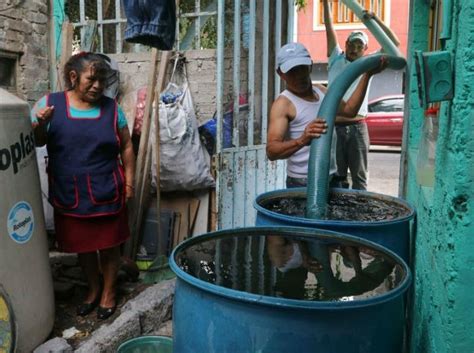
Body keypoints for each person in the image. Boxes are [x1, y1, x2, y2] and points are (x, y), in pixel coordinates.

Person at [31, 52, 135, 320]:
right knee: (84, 246)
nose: (98, 86)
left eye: (102, 79)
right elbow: (38, 141)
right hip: (70, 194)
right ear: (74, 77)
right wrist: (40, 125)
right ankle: (93, 289)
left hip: (107, 191)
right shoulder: (49, 104)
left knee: (109, 246)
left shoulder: (113, 109)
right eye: (92, 79)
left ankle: (109, 293)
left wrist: (130, 182)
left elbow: (126, 146)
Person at [266, 42, 385, 188]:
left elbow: (349, 110)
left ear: (310, 66)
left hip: (331, 175)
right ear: (280, 73)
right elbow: (272, 151)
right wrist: (302, 140)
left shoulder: (321, 91)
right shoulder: (283, 104)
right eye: (292, 71)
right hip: (303, 181)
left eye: (302, 68)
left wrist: (367, 75)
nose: (299, 76)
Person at [323, 0, 400, 190]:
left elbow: (394, 44)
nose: (355, 48)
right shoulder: (335, 58)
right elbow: (328, 26)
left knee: (359, 178)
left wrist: (377, 20)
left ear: (365, 49)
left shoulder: (368, 63)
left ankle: (359, 216)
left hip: (358, 127)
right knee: (336, 177)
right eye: (352, 44)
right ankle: (339, 217)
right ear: (346, 44)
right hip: (335, 126)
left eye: (360, 46)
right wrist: (325, 3)